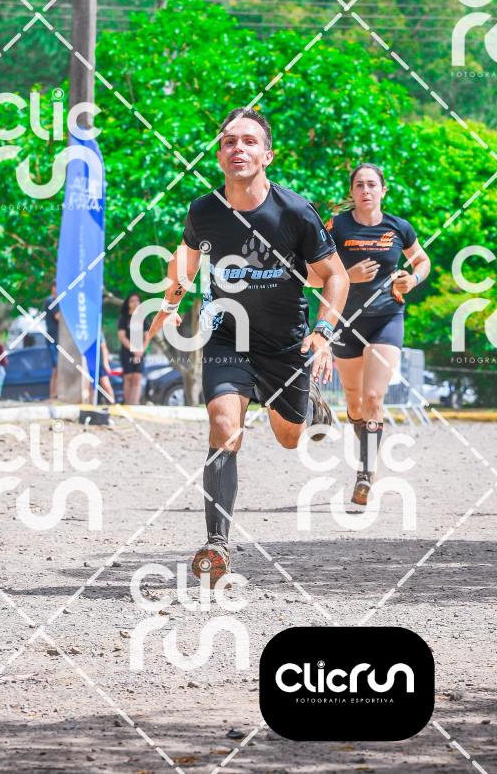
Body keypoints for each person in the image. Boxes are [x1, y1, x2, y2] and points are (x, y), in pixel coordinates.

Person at [147, 108, 349, 585]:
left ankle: (310, 405)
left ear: (267, 155)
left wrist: (323, 332)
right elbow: (185, 265)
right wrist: (169, 304)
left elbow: (336, 276)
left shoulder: (294, 212)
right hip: (228, 337)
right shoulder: (203, 211)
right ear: (219, 155)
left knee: (289, 437)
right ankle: (217, 544)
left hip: (285, 345)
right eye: (229, 142)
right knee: (223, 425)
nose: (238, 148)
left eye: (249, 141)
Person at [307, 163, 431, 506]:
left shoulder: (399, 227)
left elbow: (422, 261)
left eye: (372, 184)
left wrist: (412, 280)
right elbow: (310, 275)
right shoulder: (337, 226)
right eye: (359, 185)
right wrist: (348, 275)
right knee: (354, 400)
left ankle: (365, 472)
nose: (365, 190)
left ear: (383, 190)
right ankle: (362, 440)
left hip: (387, 318)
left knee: (374, 397)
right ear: (352, 191)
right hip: (347, 322)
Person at [118, 293, 149, 404]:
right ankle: (127, 404)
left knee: (137, 378)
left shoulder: (143, 318)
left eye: (137, 300)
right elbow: (122, 336)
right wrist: (134, 350)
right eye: (132, 301)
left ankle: (134, 404)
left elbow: (147, 336)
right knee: (128, 378)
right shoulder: (124, 318)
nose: (135, 303)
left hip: (140, 352)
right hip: (127, 352)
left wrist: (141, 351)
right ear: (128, 303)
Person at [43, 283, 60, 400]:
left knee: (59, 367)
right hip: (53, 339)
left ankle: (56, 393)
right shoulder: (51, 301)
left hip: (59, 339)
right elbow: (58, 316)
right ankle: (53, 394)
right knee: (56, 367)